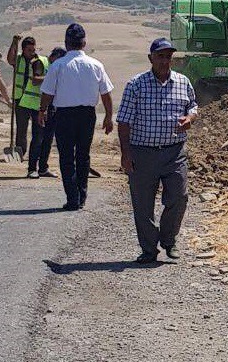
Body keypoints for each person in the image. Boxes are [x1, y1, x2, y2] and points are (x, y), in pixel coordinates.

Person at [116, 37, 198, 264]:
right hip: (142, 153)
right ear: (150, 58)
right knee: (143, 205)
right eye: (160, 56)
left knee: (179, 197)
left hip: (174, 152)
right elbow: (123, 122)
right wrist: (125, 154)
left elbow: (193, 105)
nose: (164, 61)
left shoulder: (182, 82)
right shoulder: (136, 85)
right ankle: (149, 249)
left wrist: (190, 118)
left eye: (168, 57)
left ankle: (169, 240)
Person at [39, 24, 113, 211]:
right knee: (83, 155)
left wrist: (42, 110)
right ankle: (82, 196)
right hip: (87, 115)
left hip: (64, 115)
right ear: (84, 43)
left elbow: (47, 93)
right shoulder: (96, 65)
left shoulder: (58, 65)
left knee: (66, 157)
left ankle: (73, 198)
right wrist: (108, 116)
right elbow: (106, 94)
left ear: (66, 43)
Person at [7, 35, 49, 178]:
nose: (32, 52)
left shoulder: (39, 61)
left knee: (38, 132)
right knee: (21, 128)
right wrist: (14, 42)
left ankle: (34, 159)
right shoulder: (18, 59)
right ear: (23, 49)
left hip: (35, 101)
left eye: (33, 49)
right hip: (20, 99)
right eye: (29, 50)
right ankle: (20, 152)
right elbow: (10, 59)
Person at [33, 47, 67, 178]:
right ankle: (33, 168)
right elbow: (36, 80)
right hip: (39, 105)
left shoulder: (57, 67)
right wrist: (43, 109)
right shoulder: (43, 63)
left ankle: (43, 168)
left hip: (50, 107)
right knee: (39, 139)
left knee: (48, 139)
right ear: (56, 56)